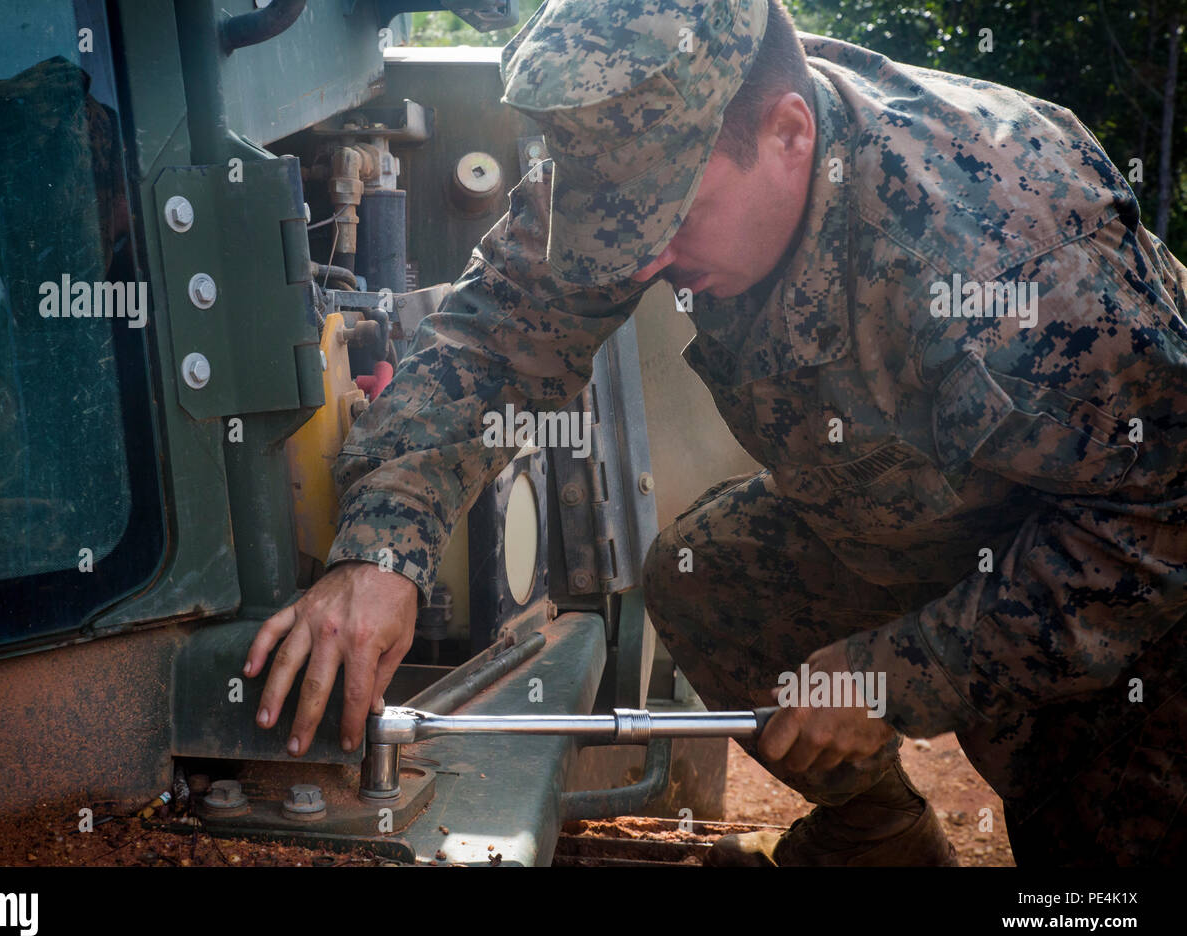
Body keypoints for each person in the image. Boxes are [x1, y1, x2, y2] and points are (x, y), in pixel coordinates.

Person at [244, 0, 1187, 865]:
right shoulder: (628, 167)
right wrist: (381, 551)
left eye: (673, 222)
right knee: (710, 580)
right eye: (618, 230)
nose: (642, 262)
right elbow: (494, 340)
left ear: (789, 133)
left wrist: (892, 678)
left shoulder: (1002, 254)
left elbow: (1154, 522)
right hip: (909, 512)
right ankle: (881, 843)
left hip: (1129, 590)